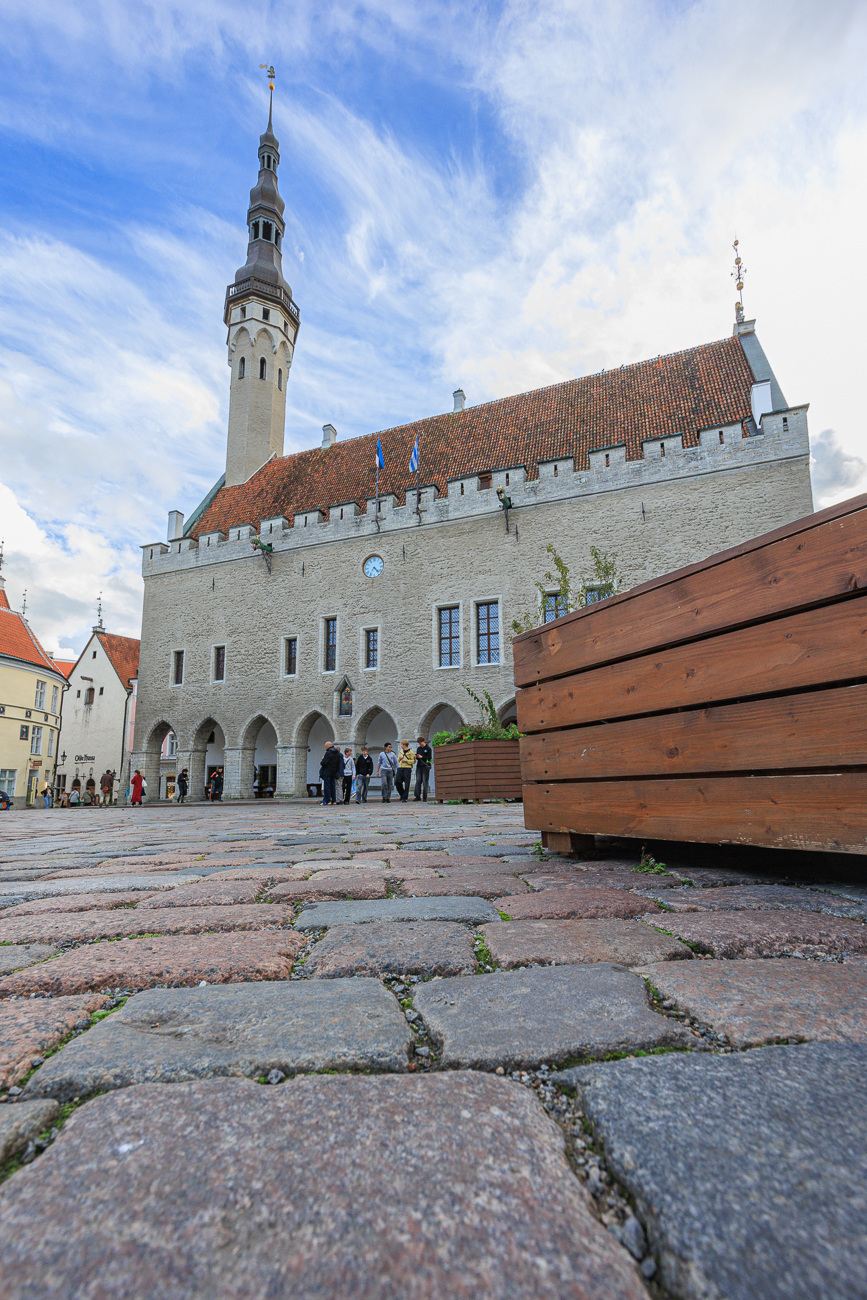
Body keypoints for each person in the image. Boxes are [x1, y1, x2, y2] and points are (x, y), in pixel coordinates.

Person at [319, 740, 342, 806]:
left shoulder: (328, 752)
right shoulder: (337, 753)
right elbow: (338, 763)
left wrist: (322, 763)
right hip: (334, 772)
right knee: (333, 786)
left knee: (327, 786)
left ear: (327, 746)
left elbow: (324, 762)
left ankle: (327, 800)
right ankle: (333, 800)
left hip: (327, 772)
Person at [414, 736, 433, 801]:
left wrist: (422, 756)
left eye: (420, 742)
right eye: (419, 743)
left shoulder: (428, 748)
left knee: (425, 781)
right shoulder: (419, 748)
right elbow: (417, 757)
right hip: (419, 766)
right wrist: (416, 756)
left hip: (425, 766)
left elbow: (429, 758)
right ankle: (417, 796)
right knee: (418, 781)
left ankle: (425, 797)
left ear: (423, 741)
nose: (420, 744)